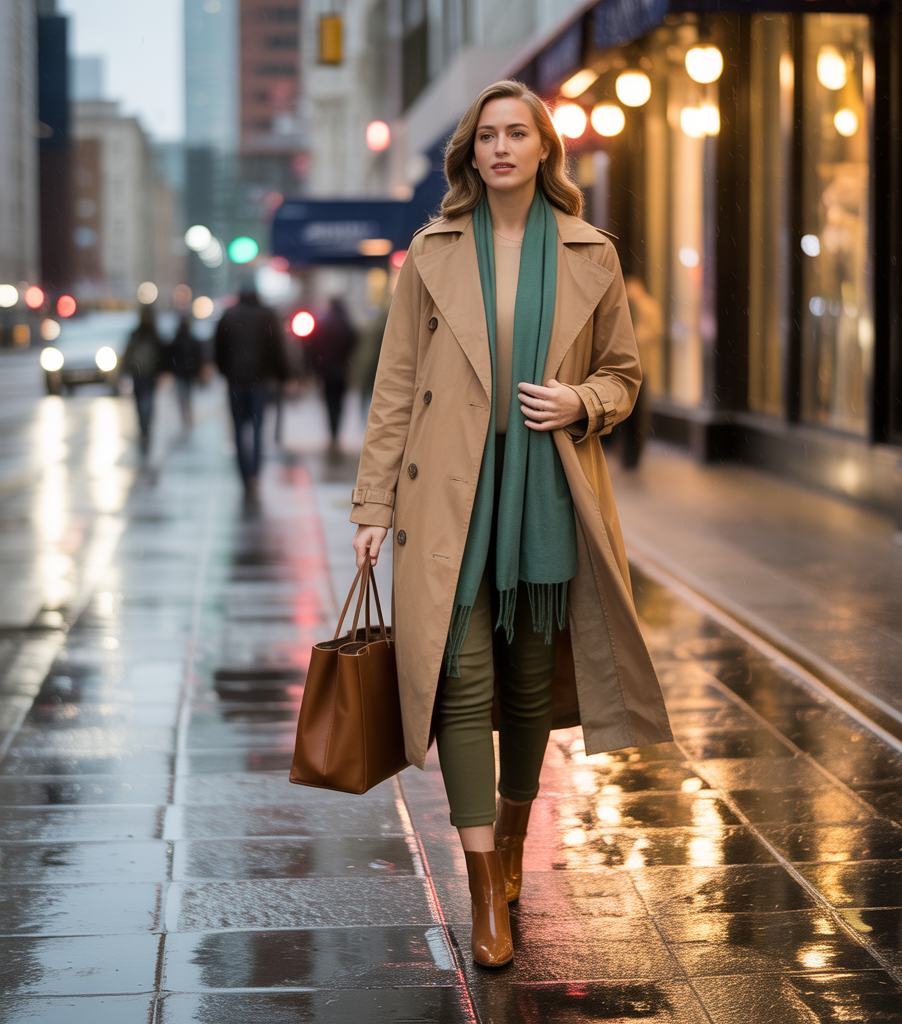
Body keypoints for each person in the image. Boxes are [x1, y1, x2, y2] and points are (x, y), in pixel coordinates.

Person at [350, 80, 672, 968]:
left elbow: (624, 377)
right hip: (445, 498)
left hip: (545, 492)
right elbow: (392, 392)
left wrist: (579, 399)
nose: (500, 148)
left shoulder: (590, 253)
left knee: (531, 684)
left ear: (542, 151)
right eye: (486, 135)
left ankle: (518, 845)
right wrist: (372, 504)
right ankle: (483, 880)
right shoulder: (431, 253)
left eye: (516, 134)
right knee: (461, 681)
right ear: (471, 152)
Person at [214, 285, 288, 500]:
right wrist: (282, 375)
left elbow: (219, 348)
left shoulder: (228, 315)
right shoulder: (267, 316)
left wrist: (224, 371)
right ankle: (255, 473)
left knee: (238, 429)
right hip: (259, 380)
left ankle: (244, 476)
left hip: (235, 381)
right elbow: (277, 347)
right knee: (257, 428)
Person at [618, 275, 664, 469]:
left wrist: (632, 336)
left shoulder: (649, 306)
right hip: (626, 368)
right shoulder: (626, 307)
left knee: (640, 414)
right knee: (626, 412)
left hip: (643, 368)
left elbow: (655, 331)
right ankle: (625, 453)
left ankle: (635, 454)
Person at [305, 297, 356, 449]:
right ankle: (336, 429)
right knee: (339, 402)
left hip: (326, 370)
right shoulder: (345, 322)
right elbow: (353, 340)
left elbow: (312, 345)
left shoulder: (323, 322)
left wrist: (315, 365)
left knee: (329, 401)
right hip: (341, 370)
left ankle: (332, 430)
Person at [121, 305, 166, 456]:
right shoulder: (149, 334)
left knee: (143, 402)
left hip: (144, 374)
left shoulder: (144, 334)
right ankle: (144, 428)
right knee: (144, 402)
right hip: (143, 374)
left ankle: (144, 428)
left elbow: (129, 353)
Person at [168, 312, 204, 431]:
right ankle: (186, 414)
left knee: (184, 394)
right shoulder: (188, 340)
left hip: (184, 373)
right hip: (186, 372)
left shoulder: (180, 339)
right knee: (185, 394)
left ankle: (185, 414)